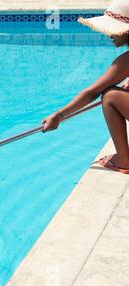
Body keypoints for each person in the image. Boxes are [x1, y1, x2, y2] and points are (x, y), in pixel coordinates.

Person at [43, 0, 129, 174]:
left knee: (110, 96)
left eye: (113, 30)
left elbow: (92, 92)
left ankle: (123, 159)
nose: (109, 34)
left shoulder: (126, 61)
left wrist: (59, 115)